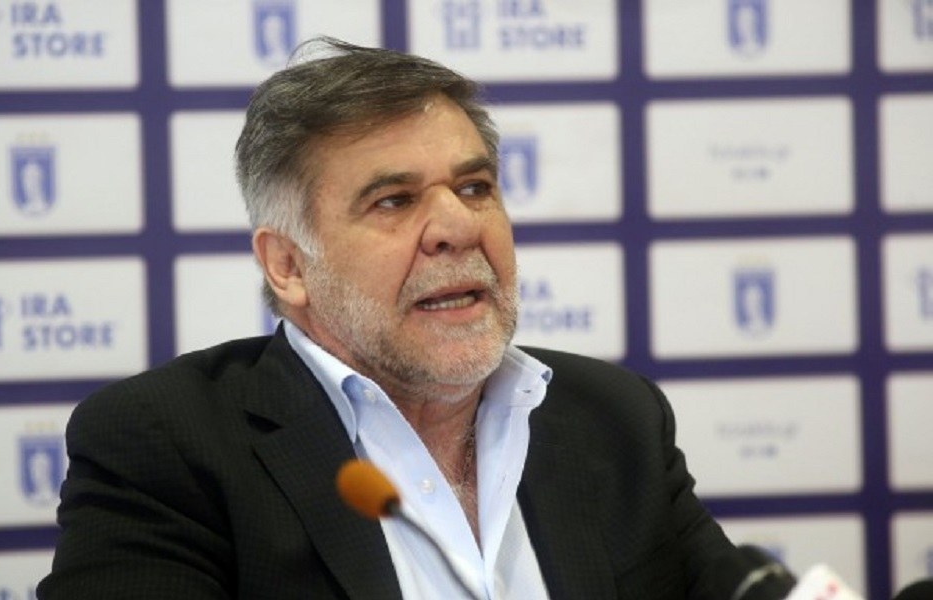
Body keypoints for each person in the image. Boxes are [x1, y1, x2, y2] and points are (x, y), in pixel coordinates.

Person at [38, 38, 738, 599]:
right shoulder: (172, 447)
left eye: (474, 187)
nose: (458, 228)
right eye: (394, 201)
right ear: (288, 265)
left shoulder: (612, 417)